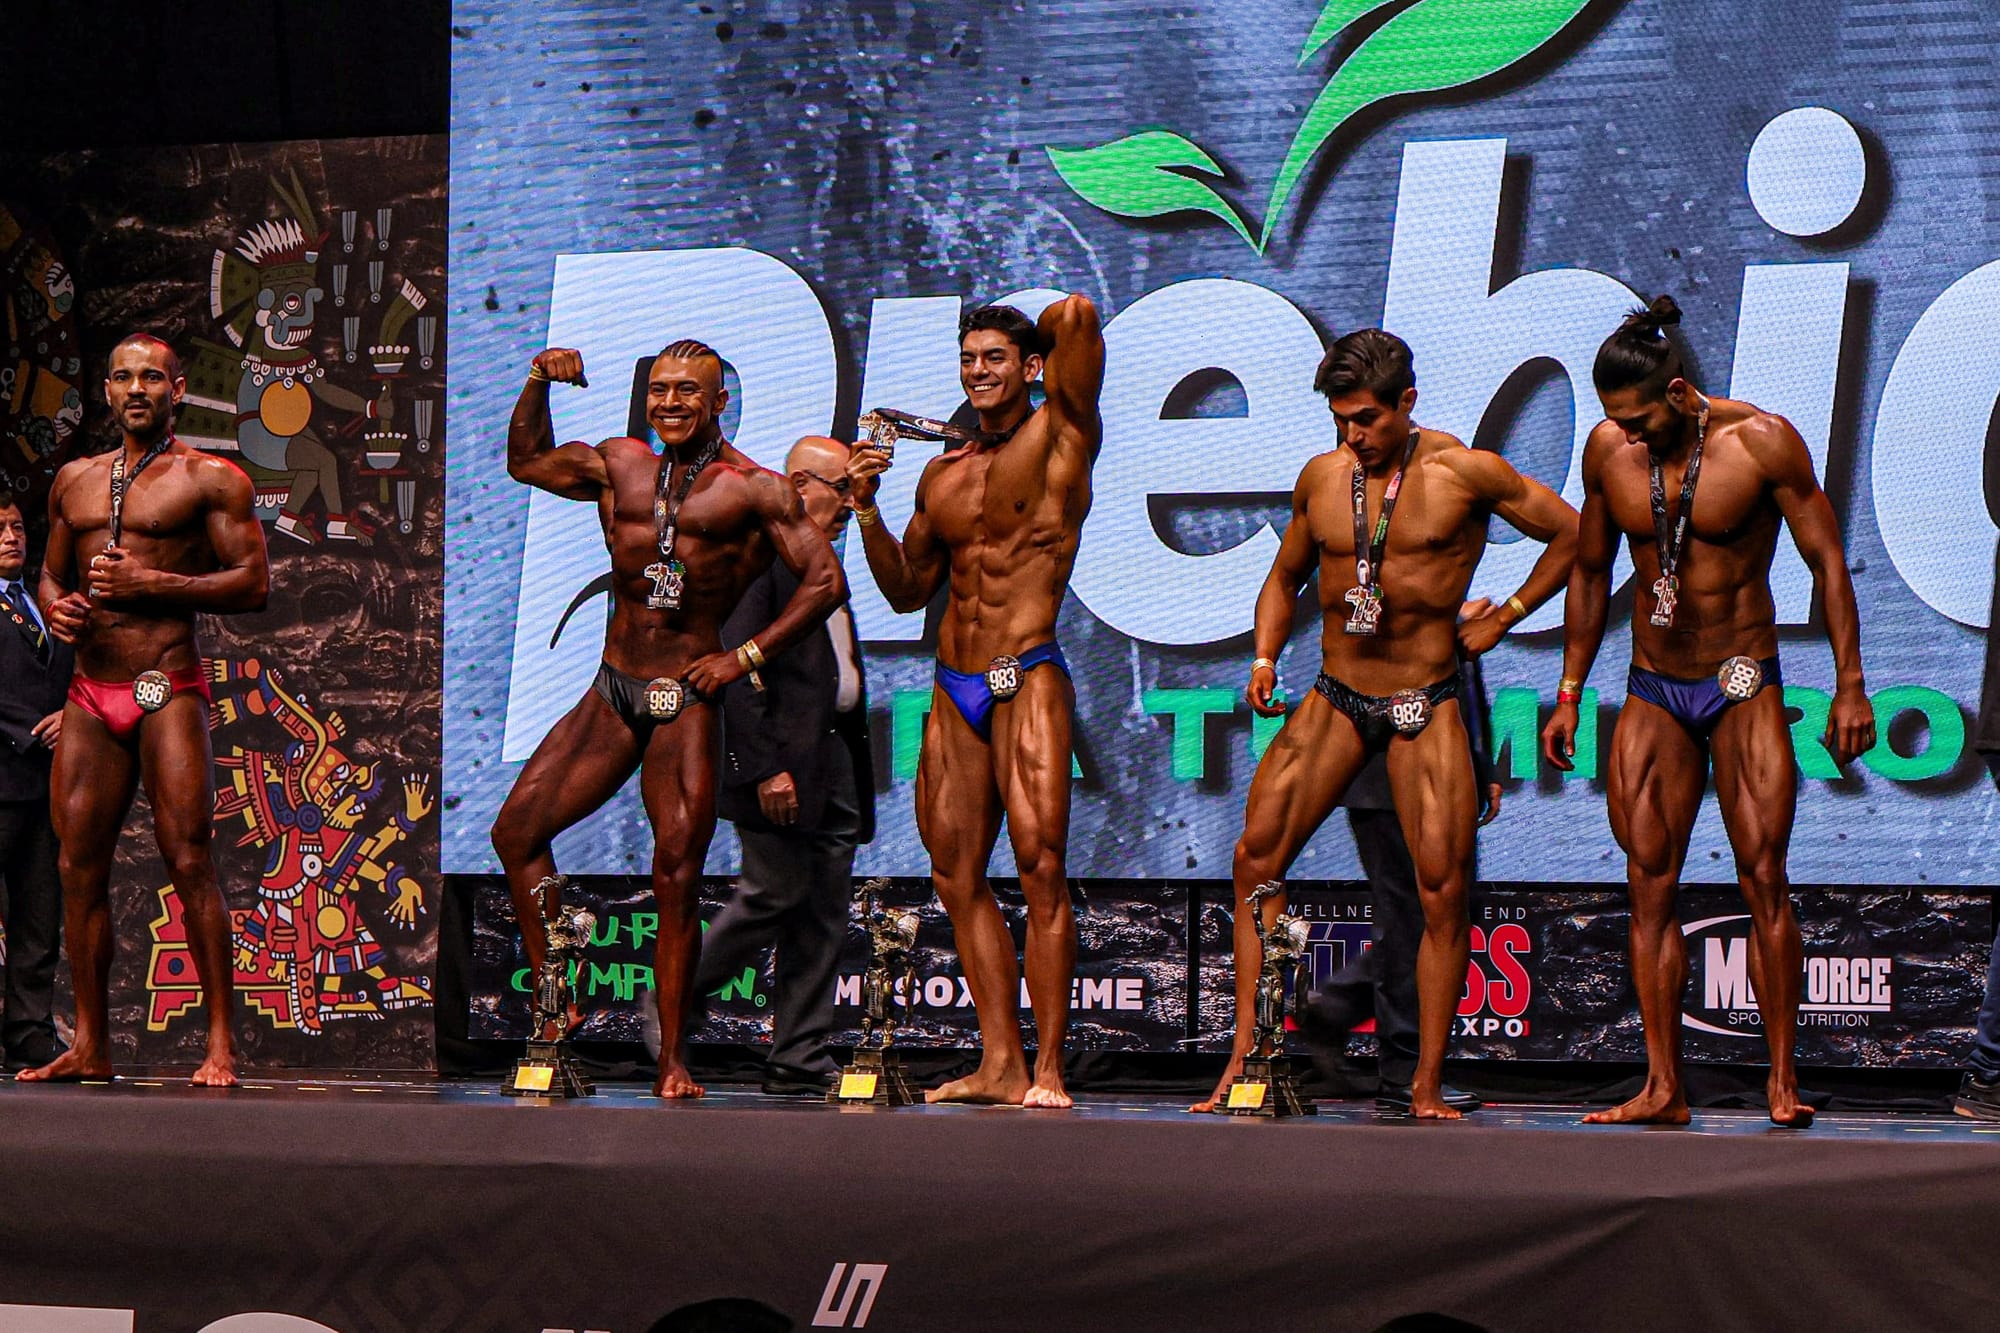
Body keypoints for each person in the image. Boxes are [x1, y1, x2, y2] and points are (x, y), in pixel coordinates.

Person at [1195, 328, 1578, 1120]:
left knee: (1440, 892)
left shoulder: (1465, 472)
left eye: (1367, 418)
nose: (1353, 434)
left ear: (1407, 402)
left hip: (1423, 703)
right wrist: (1265, 656)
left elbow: (1573, 533)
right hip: (1338, 692)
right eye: (1341, 419)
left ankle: (1423, 1085)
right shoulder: (1322, 477)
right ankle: (1248, 1060)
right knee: (1255, 859)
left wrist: (1507, 613)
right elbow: (1285, 576)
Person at [1541, 295, 1874, 1128]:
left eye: (1641, 419)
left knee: (1763, 876)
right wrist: (1571, 690)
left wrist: (1850, 682)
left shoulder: (1761, 442)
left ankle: (1782, 1081)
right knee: (1648, 881)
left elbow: (1829, 561)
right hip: (1654, 681)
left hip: (1740, 679)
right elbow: (1590, 571)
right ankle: (1663, 1086)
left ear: (1681, 392)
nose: (1628, 435)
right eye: (1616, 420)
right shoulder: (1608, 450)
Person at [490, 340, 844, 1100]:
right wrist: (536, 381)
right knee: (515, 832)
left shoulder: (754, 489)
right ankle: (559, 995)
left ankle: (673, 1060)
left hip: (685, 698)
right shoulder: (619, 464)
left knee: (676, 875)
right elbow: (526, 462)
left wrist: (742, 656)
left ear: (719, 403)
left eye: (688, 391)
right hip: (614, 688)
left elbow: (825, 582)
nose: (671, 403)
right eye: (659, 389)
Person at [845, 297, 1103, 1107]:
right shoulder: (943, 474)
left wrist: (1051, 331)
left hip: (1027, 673)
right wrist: (866, 507)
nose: (977, 371)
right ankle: (1000, 1063)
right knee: (955, 875)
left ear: (1031, 366)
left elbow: (1078, 318)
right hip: (953, 684)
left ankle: (1049, 1067)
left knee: (1041, 866)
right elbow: (904, 590)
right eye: (968, 358)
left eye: (994, 357)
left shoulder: (1061, 435)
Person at [23, 332, 270, 1087]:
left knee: (189, 857)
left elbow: (252, 582)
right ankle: (90, 1045)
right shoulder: (74, 480)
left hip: (166, 685)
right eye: (124, 376)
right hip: (90, 691)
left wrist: (154, 586)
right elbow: (49, 575)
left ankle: (220, 1045)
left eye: (152, 378)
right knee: (76, 866)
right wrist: (57, 607)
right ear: (107, 389)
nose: (137, 389)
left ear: (177, 389)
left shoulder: (211, 478)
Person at [688, 435, 874, 1096]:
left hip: (834, 758)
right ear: (798, 486)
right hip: (780, 766)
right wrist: (764, 767)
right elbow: (731, 669)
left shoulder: (822, 560)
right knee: (772, 893)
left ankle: (798, 1054)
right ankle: (672, 999)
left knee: (822, 911)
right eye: (840, 488)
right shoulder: (763, 559)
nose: (850, 502)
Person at [1296, 645, 1498, 1113]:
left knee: (1455, 911)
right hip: (1384, 777)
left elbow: (1462, 687)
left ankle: (1334, 1007)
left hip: (1447, 771)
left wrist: (1480, 766)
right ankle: (1403, 1072)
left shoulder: (1451, 616)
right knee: (1408, 921)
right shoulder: (1383, 606)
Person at [0, 495, 73, 1072]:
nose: (11, 537)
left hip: (49, 785)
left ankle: (29, 1031)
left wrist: (71, 715)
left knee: (38, 914)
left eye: (18, 527)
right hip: (4, 771)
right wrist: (30, 731)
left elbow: (77, 674)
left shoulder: (48, 605)